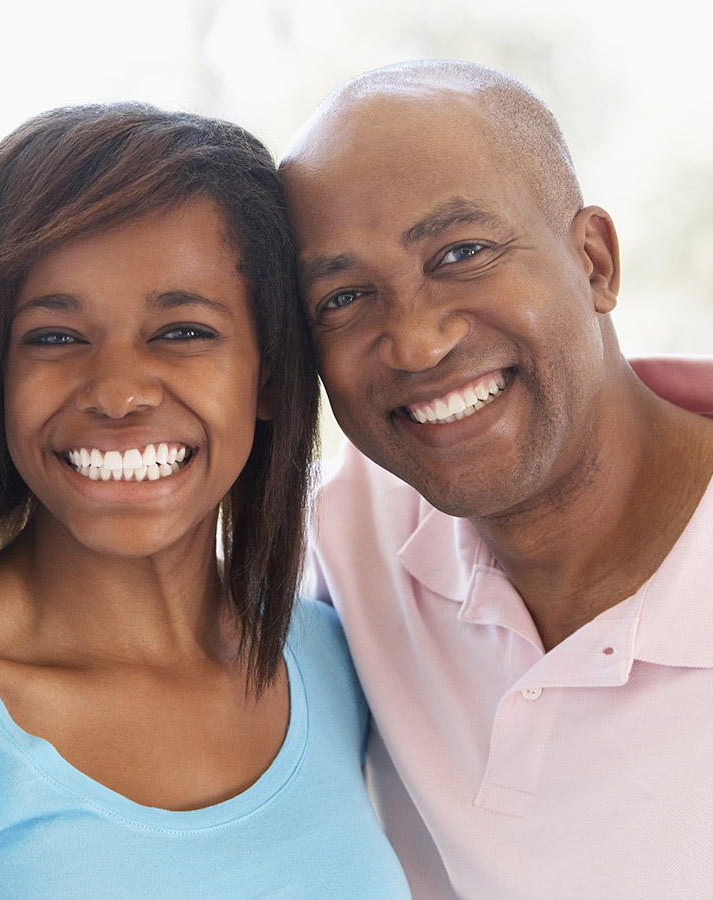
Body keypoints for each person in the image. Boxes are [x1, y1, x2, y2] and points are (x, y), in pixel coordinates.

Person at [0, 103, 412, 899]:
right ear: (1, 378)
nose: (115, 393)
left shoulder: (332, 659)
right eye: (54, 335)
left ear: (272, 377)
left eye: (182, 332)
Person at [279, 59, 713, 900]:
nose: (416, 342)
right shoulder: (352, 527)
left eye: (462, 251)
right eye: (342, 297)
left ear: (594, 262)